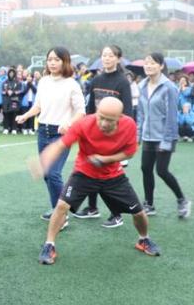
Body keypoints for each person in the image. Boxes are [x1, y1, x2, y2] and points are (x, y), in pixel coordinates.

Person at [37, 97, 161, 266]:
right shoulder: (84, 124)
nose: (103, 123)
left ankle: (144, 239)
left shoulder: (129, 125)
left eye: (109, 120)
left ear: (119, 118)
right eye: (100, 117)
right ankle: (49, 245)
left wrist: (106, 159)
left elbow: (130, 152)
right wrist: (44, 160)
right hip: (84, 173)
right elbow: (61, 144)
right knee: (61, 206)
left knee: (139, 212)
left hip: (113, 176)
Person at [14, 46, 85, 224]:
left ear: (65, 61)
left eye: (57, 60)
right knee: (46, 174)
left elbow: (81, 111)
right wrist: (25, 116)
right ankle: (57, 209)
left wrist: (68, 124)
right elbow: (38, 106)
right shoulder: (44, 81)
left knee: (53, 174)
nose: (52, 63)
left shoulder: (72, 84)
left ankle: (61, 215)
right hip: (43, 131)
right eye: (50, 59)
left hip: (61, 134)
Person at [73, 45, 133, 228]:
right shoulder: (96, 80)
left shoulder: (122, 82)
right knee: (92, 168)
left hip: (114, 135)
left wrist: (121, 138)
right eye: (104, 55)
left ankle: (116, 214)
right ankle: (92, 208)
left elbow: (127, 112)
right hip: (95, 133)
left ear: (118, 59)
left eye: (111, 55)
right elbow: (91, 108)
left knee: (109, 177)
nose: (107, 58)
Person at [137, 53, 191, 218]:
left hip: (164, 136)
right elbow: (141, 113)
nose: (149, 66)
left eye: (153, 63)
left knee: (161, 170)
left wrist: (166, 140)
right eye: (146, 63)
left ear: (161, 66)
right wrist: (139, 133)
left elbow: (171, 116)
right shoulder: (142, 85)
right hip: (148, 135)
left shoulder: (169, 87)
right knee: (146, 169)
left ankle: (182, 200)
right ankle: (149, 204)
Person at [1, 68, 23, 134]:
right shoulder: (5, 82)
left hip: (14, 100)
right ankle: (6, 128)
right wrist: (7, 91)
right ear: (8, 74)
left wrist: (13, 92)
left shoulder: (18, 82)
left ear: (14, 74)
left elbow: (20, 91)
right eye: (10, 73)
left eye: (12, 73)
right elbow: (2, 91)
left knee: (14, 114)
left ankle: (14, 129)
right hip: (6, 100)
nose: (11, 74)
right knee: (6, 114)